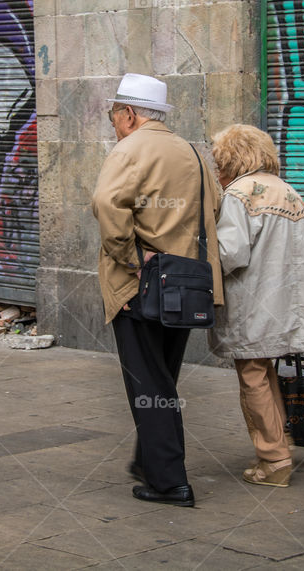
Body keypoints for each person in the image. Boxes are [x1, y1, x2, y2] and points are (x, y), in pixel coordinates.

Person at [91, 73, 223, 507]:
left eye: (115, 116)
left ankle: (169, 482)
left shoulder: (130, 149)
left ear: (129, 114)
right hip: (187, 286)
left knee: (149, 384)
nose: (115, 125)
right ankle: (149, 461)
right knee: (161, 377)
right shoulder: (191, 152)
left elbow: (109, 207)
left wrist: (131, 260)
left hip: (142, 286)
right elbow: (214, 208)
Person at [208, 124, 304, 488]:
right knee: (265, 370)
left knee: (253, 376)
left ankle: (273, 460)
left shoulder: (240, 194)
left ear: (232, 157)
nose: (216, 168)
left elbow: (230, 254)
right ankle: (280, 441)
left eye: (218, 160)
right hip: (286, 306)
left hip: (252, 306)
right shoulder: (291, 193)